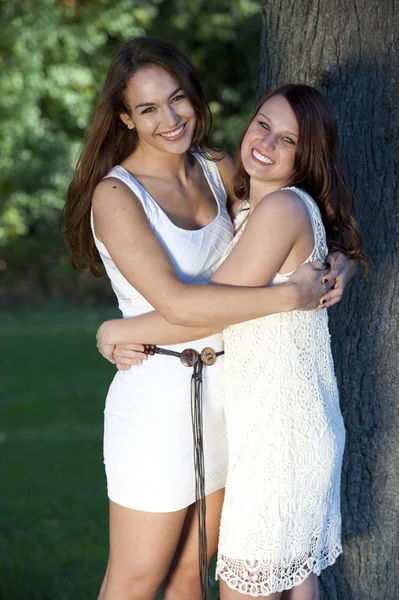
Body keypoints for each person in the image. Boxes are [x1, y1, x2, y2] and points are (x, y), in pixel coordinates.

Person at [64, 35, 354, 600]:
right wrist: (112, 331)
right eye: (148, 108)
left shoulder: (218, 168)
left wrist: (341, 264)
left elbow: (290, 226)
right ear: (125, 117)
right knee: (137, 577)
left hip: (233, 400)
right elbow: (179, 304)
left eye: (178, 99)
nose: (170, 119)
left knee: (190, 574)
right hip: (158, 394)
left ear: (194, 98)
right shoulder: (116, 197)